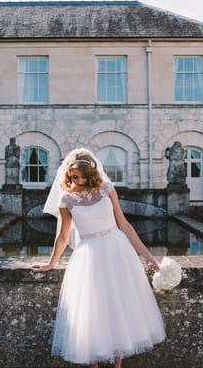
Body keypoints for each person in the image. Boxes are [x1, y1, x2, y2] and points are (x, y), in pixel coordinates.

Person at [32, 148, 166, 368]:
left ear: (91, 173)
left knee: (120, 302)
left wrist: (148, 256)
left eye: (84, 176)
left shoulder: (106, 189)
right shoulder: (66, 199)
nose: (80, 180)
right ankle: (94, 363)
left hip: (117, 249)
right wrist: (51, 263)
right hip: (89, 255)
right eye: (75, 177)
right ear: (69, 175)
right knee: (92, 308)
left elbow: (124, 224)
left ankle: (118, 363)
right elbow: (63, 236)